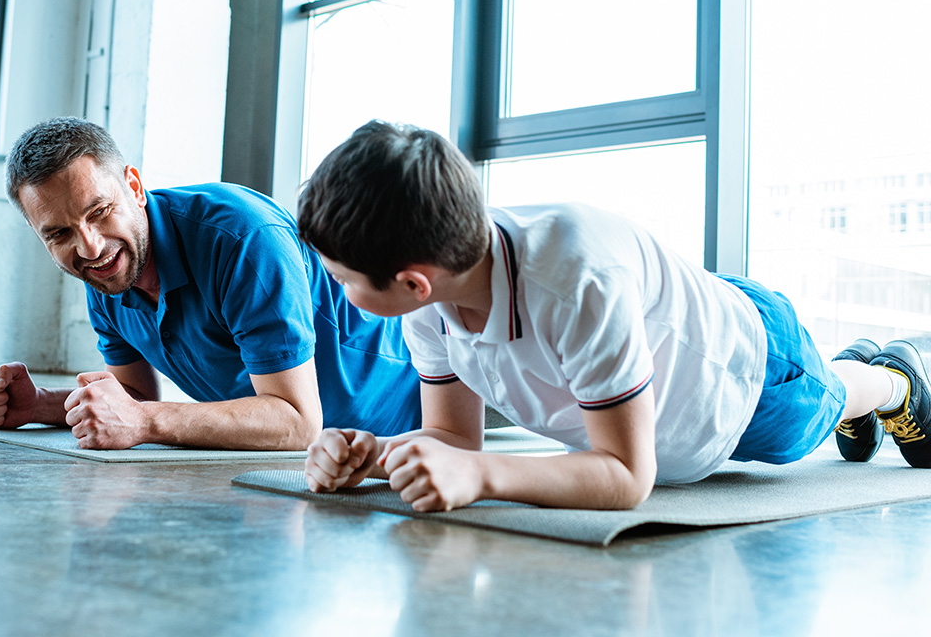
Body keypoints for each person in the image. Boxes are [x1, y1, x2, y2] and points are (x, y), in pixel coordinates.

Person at [296, 120, 931, 511]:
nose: (338, 290)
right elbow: (455, 441)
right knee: (822, 404)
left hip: (754, 371)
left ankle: (894, 378)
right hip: (668, 323)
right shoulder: (431, 305)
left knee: (824, 406)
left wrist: (483, 475)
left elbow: (627, 474)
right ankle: (864, 379)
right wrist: (376, 455)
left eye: (342, 279)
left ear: (411, 280)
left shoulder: (576, 285)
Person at [0, 117, 420, 450]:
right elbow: (136, 397)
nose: (89, 247)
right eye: (60, 233)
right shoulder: (107, 271)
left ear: (134, 187)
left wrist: (146, 422)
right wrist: (41, 406)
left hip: (423, 405)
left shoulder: (244, 240)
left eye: (99, 212)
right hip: (328, 458)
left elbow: (298, 423)